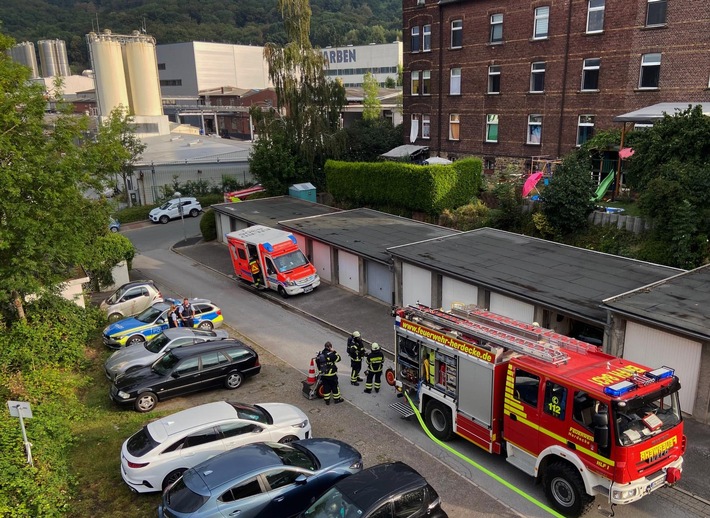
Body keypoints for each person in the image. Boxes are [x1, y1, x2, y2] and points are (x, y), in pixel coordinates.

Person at [320, 341, 343, 405]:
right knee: (334, 386)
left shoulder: (321, 354)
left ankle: (327, 401)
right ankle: (337, 399)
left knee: (326, 387)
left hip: (324, 374)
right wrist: (334, 352)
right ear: (330, 347)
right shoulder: (332, 355)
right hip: (332, 375)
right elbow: (339, 358)